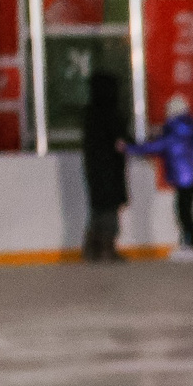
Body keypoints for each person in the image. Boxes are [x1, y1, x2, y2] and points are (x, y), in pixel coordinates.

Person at [126, 93, 193, 259]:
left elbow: (158, 146)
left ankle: (190, 243)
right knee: (186, 209)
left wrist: (130, 148)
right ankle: (190, 242)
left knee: (183, 210)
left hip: (184, 176)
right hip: (192, 175)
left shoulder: (176, 129)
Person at [79, 71, 128, 262]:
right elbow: (120, 140)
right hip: (109, 169)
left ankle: (92, 249)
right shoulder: (110, 113)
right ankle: (106, 248)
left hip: (95, 169)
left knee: (98, 208)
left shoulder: (91, 113)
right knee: (108, 209)